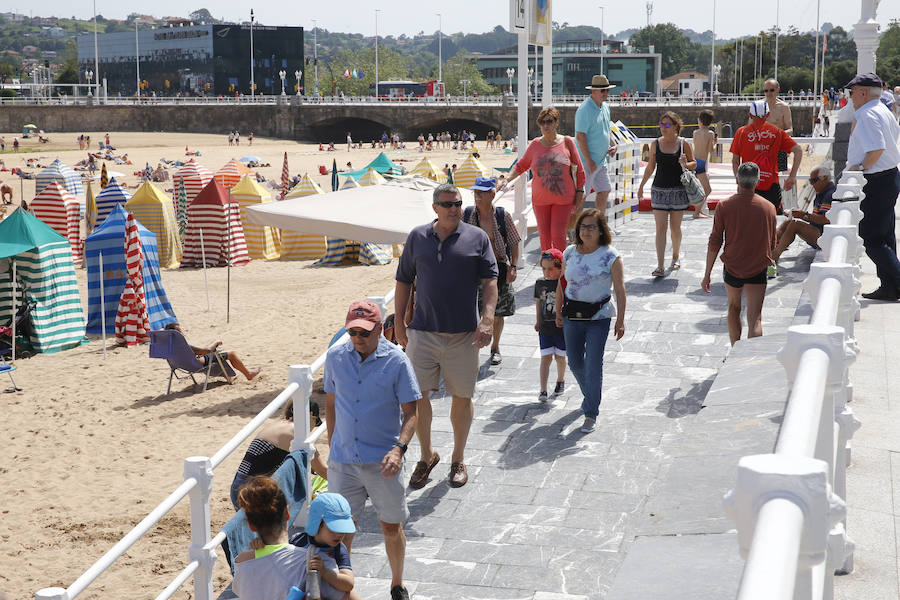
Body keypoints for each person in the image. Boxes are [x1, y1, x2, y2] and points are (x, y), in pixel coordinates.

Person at [394, 183, 498, 489]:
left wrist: (488, 319)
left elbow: (491, 281)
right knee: (418, 397)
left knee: (462, 398)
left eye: (458, 204)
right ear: (435, 208)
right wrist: (399, 322)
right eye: (448, 204)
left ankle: (457, 458)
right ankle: (427, 456)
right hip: (422, 334)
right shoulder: (417, 237)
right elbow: (403, 280)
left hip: (464, 335)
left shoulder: (477, 237)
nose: (454, 209)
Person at [323, 300, 419, 600]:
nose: (357, 338)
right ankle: (344, 591)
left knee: (391, 527)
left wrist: (399, 450)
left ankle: (397, 583)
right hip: (344, 462)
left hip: (383, 462)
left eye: (364, 332)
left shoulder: (398, 361)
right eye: (352, 331)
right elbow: (330, 403)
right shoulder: (336, 357)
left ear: (380, 329)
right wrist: (332, 443)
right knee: (340, 531)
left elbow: (412, 411)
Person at [555, 208, 626, 434]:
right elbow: (561, 284)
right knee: (575, 362)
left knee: (594, 364)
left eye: (591, 227)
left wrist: (621, 320)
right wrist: (557, 311)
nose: (586, 231)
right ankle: (590, 395)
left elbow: (621, 289)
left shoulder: (610, 255)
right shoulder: (569, 253)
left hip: (599, 317)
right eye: (582, 226)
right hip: (571, 315)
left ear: (600, 230)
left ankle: (590, 411)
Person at [233, 482, 361, 600]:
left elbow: (278, 555)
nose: (339, 535)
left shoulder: (241, 562)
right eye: (333, 530)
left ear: (251, 525)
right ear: (288, 512)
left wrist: (264, 547)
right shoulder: (316, 558)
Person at [701, 162, 777, 345]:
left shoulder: (724, 206)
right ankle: (750, 359)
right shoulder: (768, 208)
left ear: (737, 179)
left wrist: (707, 274)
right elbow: (772, 244)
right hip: (758, 266)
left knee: (734, 308)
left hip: (733, 266)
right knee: (755, 317)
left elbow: (715, 241)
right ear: (757, 181)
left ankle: (735, 350)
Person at [499, 107, 586, 251]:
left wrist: (579, 194)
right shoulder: (535, 144)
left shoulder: (567, 142)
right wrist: (507, 179)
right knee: (544, 236)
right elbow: (521, 166)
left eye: (549, 121)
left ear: (556, 122)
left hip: (563, 199)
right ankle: (548, 271)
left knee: (558, 235)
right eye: (542, 122)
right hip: (540, 201)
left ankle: (560, 271)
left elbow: (580, 171)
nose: (546, 125)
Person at [845, 73, 900, 301]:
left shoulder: (867, 114)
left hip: (877, 179)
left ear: (863, 92)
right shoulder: (883, 110)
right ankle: (889, 286)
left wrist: (859, 168)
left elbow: (875, 149)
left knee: (871, 237)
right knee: (885, 236)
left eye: (852, 92)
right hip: (889, 177)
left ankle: (896, 281)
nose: (850, 97)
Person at [463, 177, 521, 365]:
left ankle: (495, 347)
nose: (477, 196)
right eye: (475, 192)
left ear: (492, 194)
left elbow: (513, 241)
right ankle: (473, 349)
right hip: (473, 271)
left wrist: (513, 266)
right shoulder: (468, 214)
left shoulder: (502, 216)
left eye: (481, 192)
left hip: (499, 268)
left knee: (498, 312)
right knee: (473, 311)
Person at [229, 402, 328, 510]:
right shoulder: (297, 433)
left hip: (239, 487)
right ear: (310, 415)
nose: (312, 429)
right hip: (254, 492)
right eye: (315, 422)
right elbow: (322, 470)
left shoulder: (278, 425)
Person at [637, 111, 695, 277]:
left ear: (676, 126)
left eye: (667, 124)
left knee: (675, 228)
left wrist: (686, 163)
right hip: (659, 190)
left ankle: (675, 256)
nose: (663, 128)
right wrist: (642, 185)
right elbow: (650, 167)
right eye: (661, 124)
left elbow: (694, 163)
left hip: (678, 190)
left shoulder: (683, 143)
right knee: (660, 227)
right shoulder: (655, 143)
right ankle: (660, 265)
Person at [730, 100, 802, 215]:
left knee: (748, 220)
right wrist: (792, 177)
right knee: (774, 220)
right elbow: (798, 150)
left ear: (750, 115)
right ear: (768, 115)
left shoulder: (741, 132)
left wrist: (738, 180)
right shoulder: (777, 132)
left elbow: (735, 161)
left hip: (748, 184)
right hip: (771, 182)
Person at [771, 164, 834, 269]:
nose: (812, 184)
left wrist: (803, 215)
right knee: (788, 223)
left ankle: (775, 255)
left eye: (814, 181)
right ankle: (767, 246)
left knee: (795, 225)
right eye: (811, 181)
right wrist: (801, 215)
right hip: (819, 232)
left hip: (824, 236)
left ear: (825, 178)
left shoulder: (829, 194)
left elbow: (826, 219)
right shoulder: (822, 192)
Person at [575, 74, 618, 210]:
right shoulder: (584, 110)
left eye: (607, 90)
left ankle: (598, 225)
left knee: (605, 190)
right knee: (581, 195)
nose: (606, 93)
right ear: (593, 91)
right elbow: (580, 137)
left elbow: (607, 128)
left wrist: (614, 144)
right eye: (603, 90)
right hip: (585, 162)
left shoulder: (605, 107)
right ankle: (575, 229)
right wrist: (589, 160)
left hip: (600, 161)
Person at [163, 322, 260, 380]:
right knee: (231, 354)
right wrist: (215, 342)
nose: (182, 333)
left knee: (218, 354)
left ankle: (228, 377)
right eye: (179, 332)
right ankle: (248, 374)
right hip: (198, 364)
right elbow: (207, 350)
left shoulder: (167, 346)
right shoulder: (183, 346)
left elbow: (201, 351)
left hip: (181, 366)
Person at [534, 248, 567, 402]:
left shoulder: (564, 283)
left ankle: (560, 380)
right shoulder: (540, 283)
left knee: (560, 358)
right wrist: (537, 320)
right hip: (545, 329)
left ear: (561, 267)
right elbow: (538, 302)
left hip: (561, 329)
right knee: (545, 358)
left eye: (551, 269)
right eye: (544, 268)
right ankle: (543, 389)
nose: (547, 272)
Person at [763, 79, 794, 174]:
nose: (768, 93)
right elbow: (750, 127)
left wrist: (777, 134)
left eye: (771, 90)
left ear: (778, 90)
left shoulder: (784, 107)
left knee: (779, 178)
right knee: (760, 176)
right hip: (761, 147)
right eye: (766, 90)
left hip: (778, 148)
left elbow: (790, 129)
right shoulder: (758, 106)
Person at [691, 109, 715, 218]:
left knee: (699, 188)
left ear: (700, 121)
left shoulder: (695, 132)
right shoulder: (710, 133)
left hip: (694, 161)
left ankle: (698, 210)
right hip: (701, 164)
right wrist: (715, 143)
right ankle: (697, 212)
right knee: (707, 189)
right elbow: (711, 150)